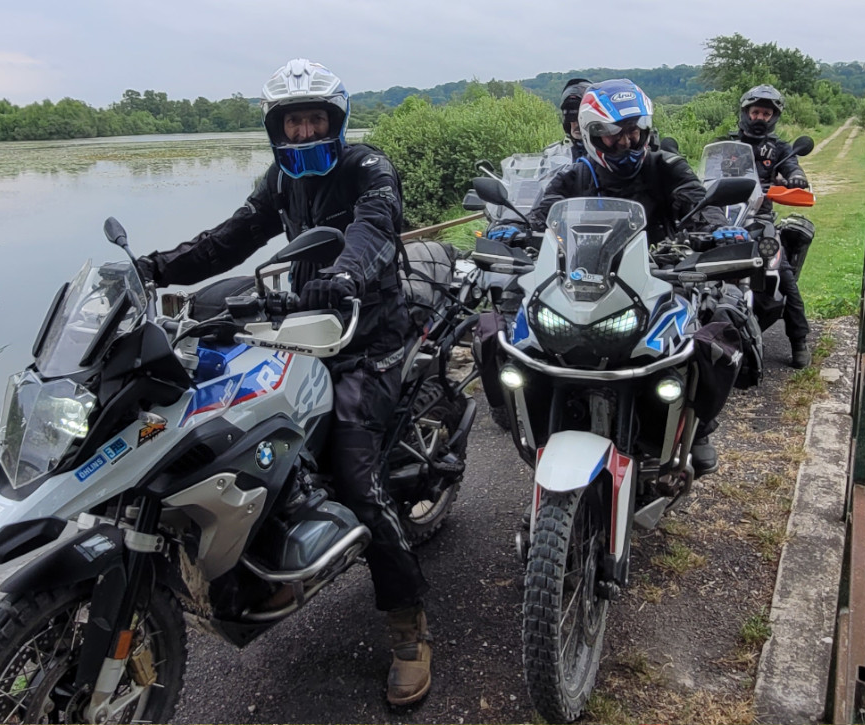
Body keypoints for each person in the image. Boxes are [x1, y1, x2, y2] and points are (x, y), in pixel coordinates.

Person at [134, 59, 432, 707]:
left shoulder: (368, 168)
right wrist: (151, 269)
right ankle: (265, 562)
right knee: (242, 429)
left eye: (313, 119)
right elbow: (230, 240)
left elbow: (373, 229)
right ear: (277, 127)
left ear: (335, 121)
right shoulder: (279, 180)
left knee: (356, 473)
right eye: (291, 120)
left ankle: (408, 631)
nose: (302, 130)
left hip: (370, 335)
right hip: (301, 329)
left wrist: (349, 275)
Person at [488, 79, 742, 476]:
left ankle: (700, 428)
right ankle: (529, 414)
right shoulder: (576, 174)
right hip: (585, 278)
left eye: (633, 132)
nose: (626, 143)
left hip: (660, 274)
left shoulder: (666, 166)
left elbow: (696, 200)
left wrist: (717, 228)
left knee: (709, 333)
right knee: (520, 333)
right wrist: (514, 229)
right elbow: (544, 212)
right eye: (613, 136)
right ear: (591, 137)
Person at [729, 84, 812, 367]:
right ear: (745, 112)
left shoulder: (779, 147)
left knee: (785, 278)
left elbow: (792, 166)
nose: (759, 117)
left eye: (766, 113)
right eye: (755, 111)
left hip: (760, 219)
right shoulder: (726, 144)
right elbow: (705, 172)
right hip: (725, 218)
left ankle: (799, 340)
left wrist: (797, 177)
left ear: (772, 117)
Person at [558, 77, 592, 160]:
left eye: (582, 117)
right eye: (571, 116)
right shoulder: (553, 154)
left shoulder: (607, 156)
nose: (577, 123)